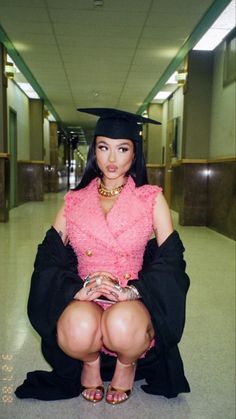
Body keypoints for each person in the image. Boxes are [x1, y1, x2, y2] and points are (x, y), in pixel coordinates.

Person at [15, 108, 190, 403]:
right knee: (75, 328)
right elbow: (49, 256)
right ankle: (90, 364)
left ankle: (126, 364)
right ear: (94, 150)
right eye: (103, 147)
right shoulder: (74, 200)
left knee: (122, 325)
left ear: (134, 154)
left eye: (122, 149)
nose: (112, 159)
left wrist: (134, 291)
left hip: (131, 298)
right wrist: (75, 290)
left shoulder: (150, 197)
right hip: (88, 293)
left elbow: (171, 260)